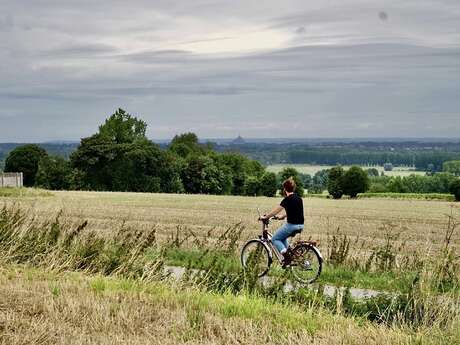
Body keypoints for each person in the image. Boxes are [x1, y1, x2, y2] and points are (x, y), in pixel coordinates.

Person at [259, 177, 304, 266]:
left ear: (284, 189)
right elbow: (295, 211)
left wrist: (266, 217)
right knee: (282, 238)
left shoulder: (287, 199)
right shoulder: (299, 198)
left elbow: (276, 210)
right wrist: (282, 216)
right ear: (293, 188)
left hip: (292, 225)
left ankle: (287, 257)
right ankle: (290, 255)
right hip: (300, 225)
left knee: (275, 239)